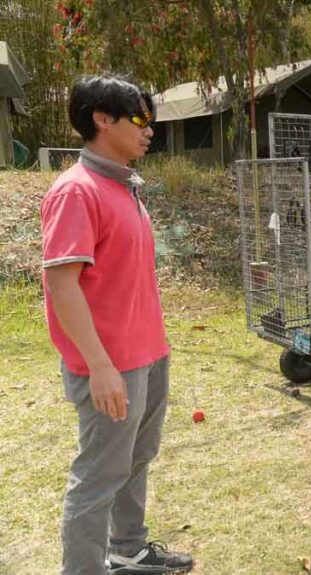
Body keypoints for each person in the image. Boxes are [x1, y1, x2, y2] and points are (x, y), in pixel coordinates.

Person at [41, 75, 193, 574]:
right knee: (98, 477)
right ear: (102, 120)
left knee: (135, 460)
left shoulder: (123, 185)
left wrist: (155, 350)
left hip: (147, 354)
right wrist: (100, 367)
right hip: (110, 366)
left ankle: (127, 548)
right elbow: (62, 286)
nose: (151, 130)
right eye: (141, 118)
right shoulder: (75, 192)